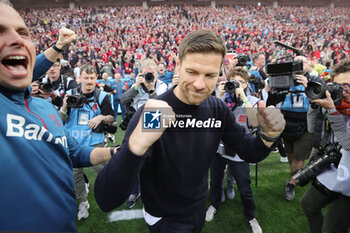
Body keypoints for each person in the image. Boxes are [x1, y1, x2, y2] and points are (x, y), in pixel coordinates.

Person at [94, 29, 285, 232]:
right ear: (178, 65)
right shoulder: (155, 110)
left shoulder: (217, 108)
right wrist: (135, 147)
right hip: (163, 216)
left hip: (197, 208)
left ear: (220, 72)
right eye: (192, 72)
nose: (200, 84)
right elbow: (107, 198)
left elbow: (249, 151)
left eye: (210, 75)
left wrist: (268, 136)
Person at [0, 1, 115, 231]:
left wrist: (116, 151)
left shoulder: (45, 109)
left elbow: (74, 152)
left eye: (23, 32)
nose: (18, 40)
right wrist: (56, 48)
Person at [206, 67, 263, 233]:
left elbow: (254, 123)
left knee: (245, 188)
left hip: (240, 150)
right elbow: (208, 119)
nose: (237, 86)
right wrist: (218, 95)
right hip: (220, 148)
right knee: (215, 181)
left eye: (241, 83)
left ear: (246, 84)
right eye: (234, 82)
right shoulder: (221, 98)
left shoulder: (251, 100)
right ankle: (214, 204)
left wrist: (243, 97)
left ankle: (251, 216)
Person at [301, 59, 350, 233]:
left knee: (333, 227)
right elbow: (311, 128)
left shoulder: (334, 109)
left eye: (348, 86)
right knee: (308, 204)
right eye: (338, 86)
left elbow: (347, 143)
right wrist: (314, 105)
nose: (343, 92)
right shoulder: (337, 106)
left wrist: (331, 110)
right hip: (337, 170)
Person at [60, 64, 115, 220]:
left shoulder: (102, 95)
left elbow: (111, 116)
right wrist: (64, 106)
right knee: (75, 174)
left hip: (93, 139)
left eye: (92, 78)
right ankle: (83, 202)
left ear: (96, 78)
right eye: (86, 78)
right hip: (73, 141)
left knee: (101, 168)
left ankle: (111, 188)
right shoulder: (70, 94)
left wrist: (101, 117)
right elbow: (60, 119)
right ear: (80, 78)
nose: (89, 81)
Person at [120, 58, 167, 209]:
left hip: (155, 128)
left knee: (156, 162)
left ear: (156, 74)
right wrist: (136, 87)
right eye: (145, 74)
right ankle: (134, 191)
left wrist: (151, 89)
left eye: (151, 73)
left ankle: (156, 190)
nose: (149, 77)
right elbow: (123, 100)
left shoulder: (162, 85)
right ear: (140, 73)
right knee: (134, 160)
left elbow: (161, 106)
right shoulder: (137, 85)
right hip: (137, 128)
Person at [281, 55, 323, 201]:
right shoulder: (286, 79)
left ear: (308, 64)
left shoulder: (315, 80)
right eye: (296, 62)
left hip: (306, 123)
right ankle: (294, 177)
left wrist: (308, 85)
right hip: (287, 122)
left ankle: (291, 184)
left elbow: (322, 100)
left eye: (302, 62)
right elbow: (274, 98)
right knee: (290, 154)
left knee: (299, 157)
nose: (299, 64)